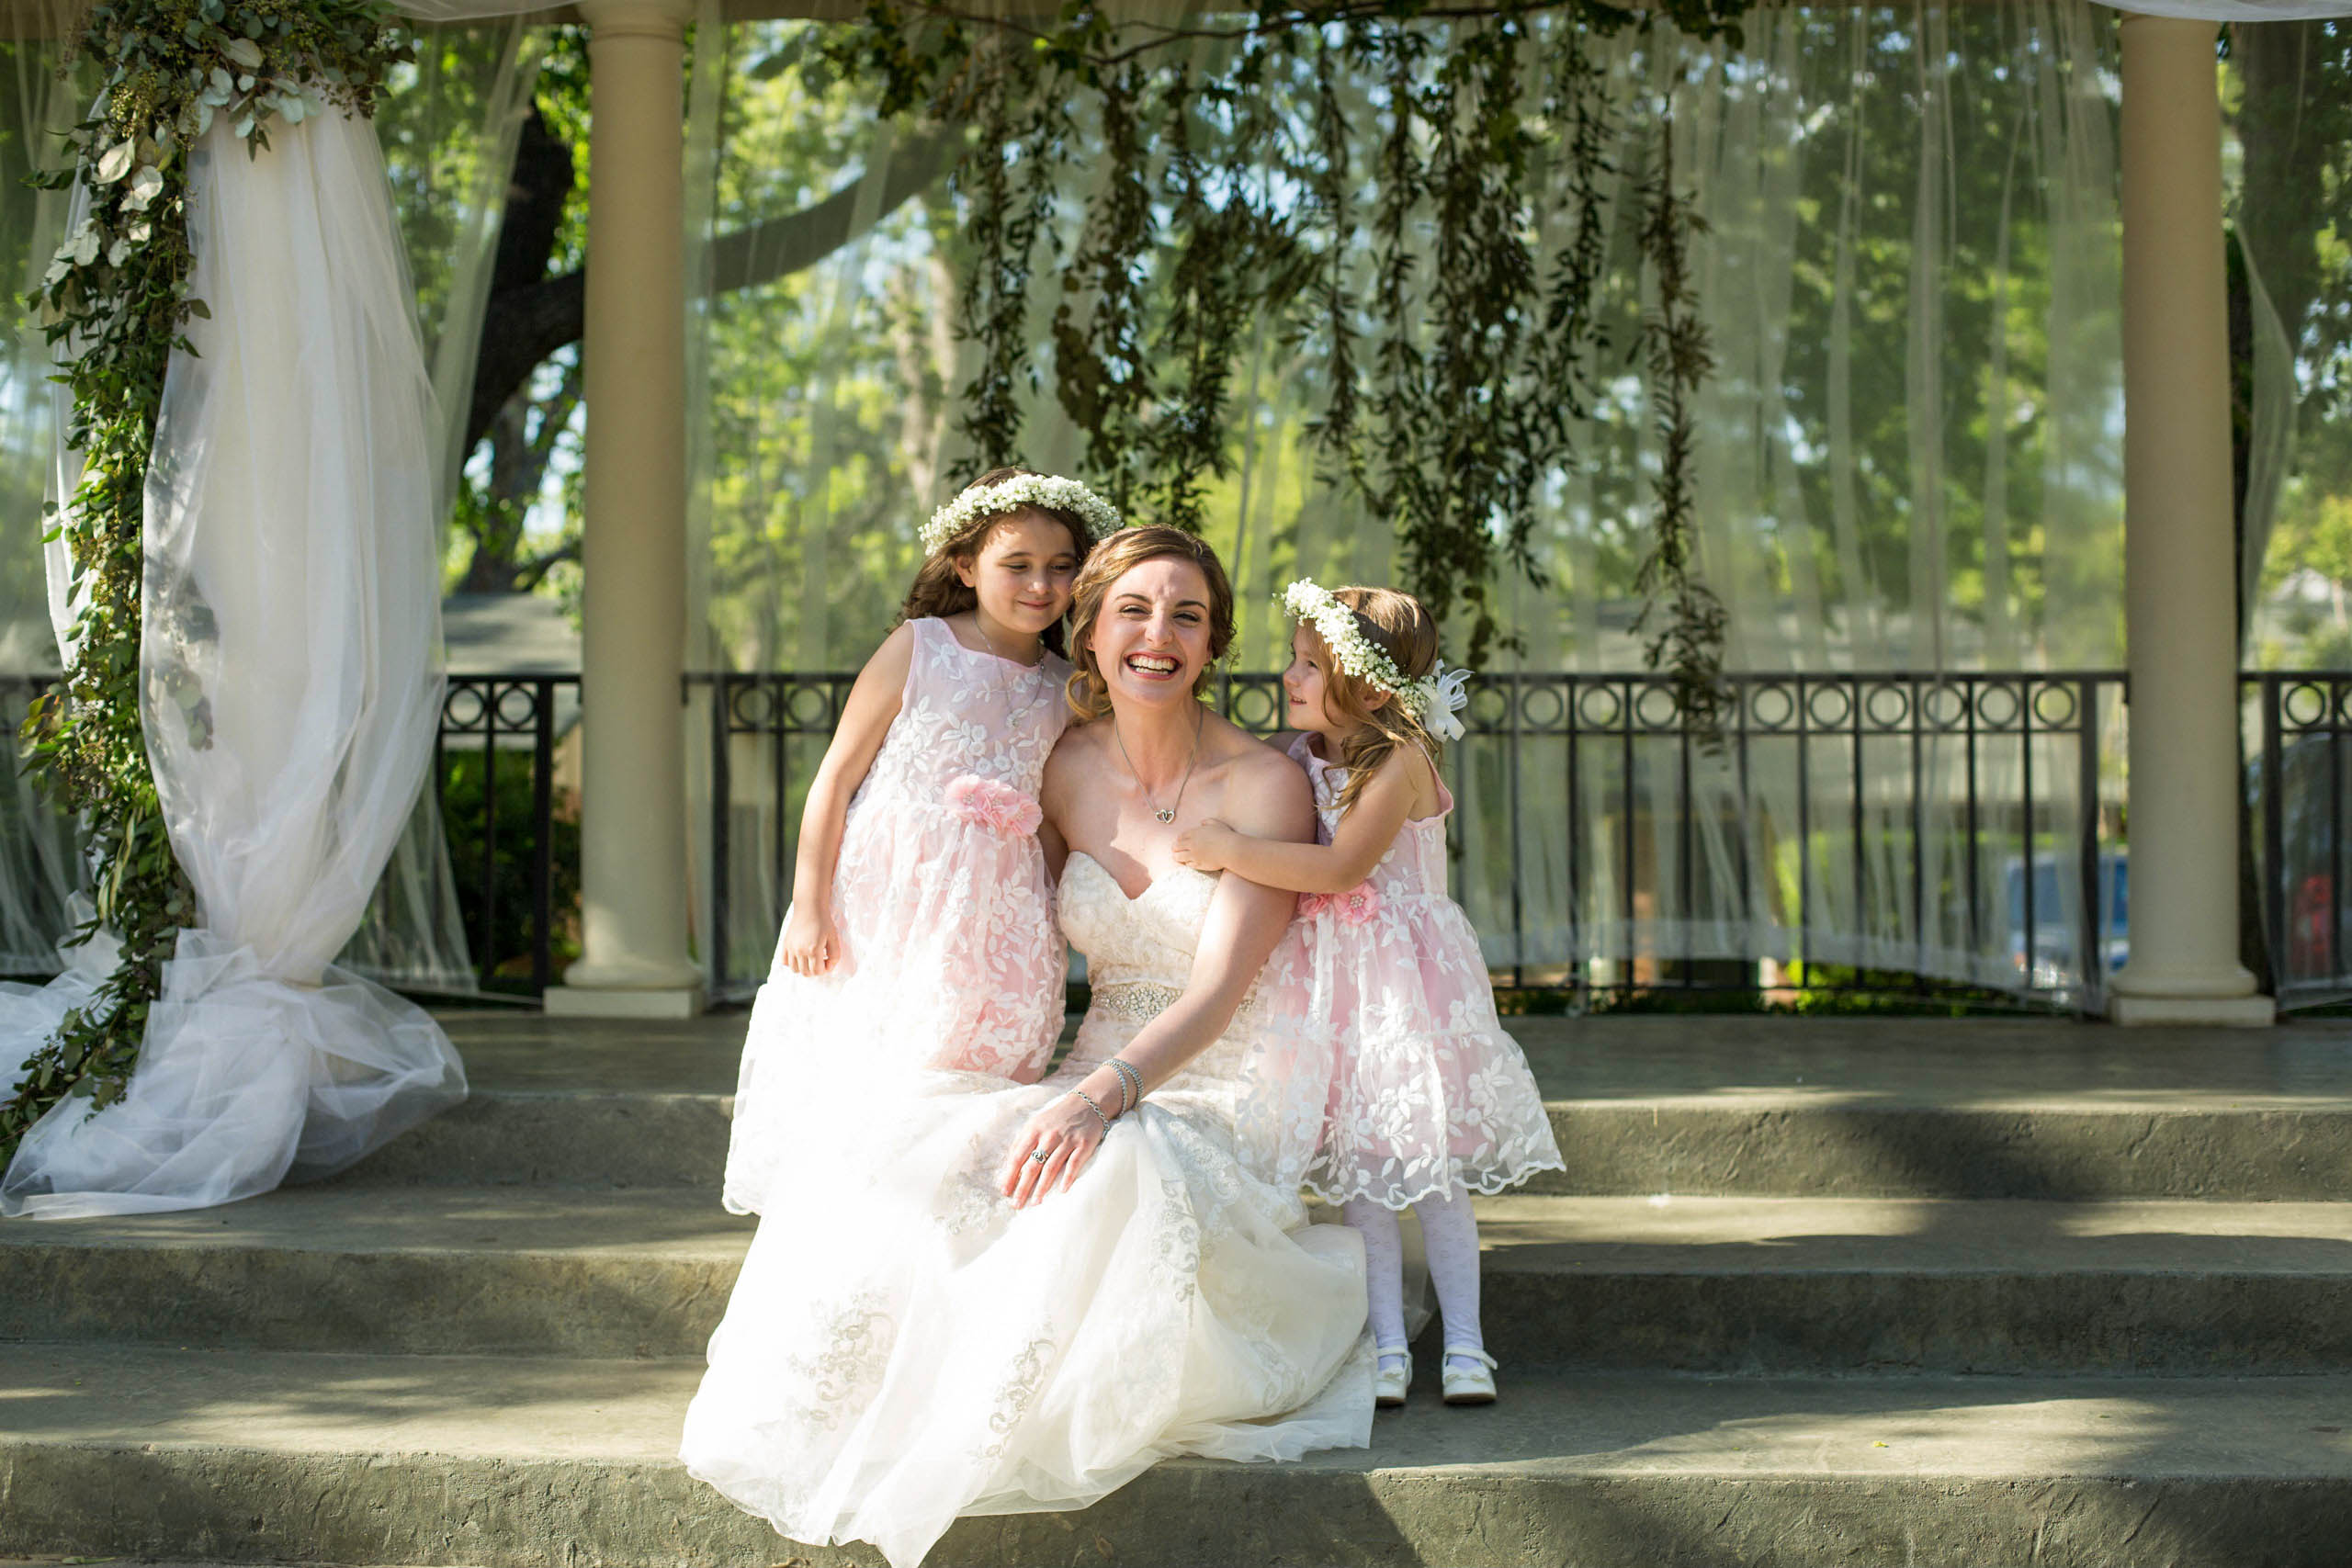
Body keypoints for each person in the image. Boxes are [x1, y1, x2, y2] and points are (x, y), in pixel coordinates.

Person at [680, 529, 1370, 1568]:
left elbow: (1223, 993)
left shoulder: (1262, 786)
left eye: (1186, 615)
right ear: (1088, 631)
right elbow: (969, 879)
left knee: (1110, 1172)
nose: (1156, 635)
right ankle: (876, 1406)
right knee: (911, 1147)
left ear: (1214, 642)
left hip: (1214, 1077)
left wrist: (1102, 1095)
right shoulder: (1060, 769)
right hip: (1085, 1063)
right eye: (1132, 610)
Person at [1175, 580, 1563, 1407]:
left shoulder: (1401, 760)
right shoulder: (1296, 757)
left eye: (1311, 665)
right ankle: (1386, 1344)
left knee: (1429, 1169)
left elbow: (1341, 867)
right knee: (1359, 1171)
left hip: (1404, 985)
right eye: (1294, 659)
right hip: (1332, 984)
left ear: (1373, 685)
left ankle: (1465, 1345)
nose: (1290, 676)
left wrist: (1228, 847)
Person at [720, 468, 1111, 1217]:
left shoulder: (1064, 685)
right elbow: (835, 776)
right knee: (886, 1047)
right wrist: (808, 903)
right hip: (893, 893)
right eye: (1017, 565)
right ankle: (853, 1212)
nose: (1041, 584)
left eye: (1061, 567)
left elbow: (1055, 817)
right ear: (966, 567)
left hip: (1000, 908)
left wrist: (1062, 917)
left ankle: (945, 1214)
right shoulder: (921, 646)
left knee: (975, 1059)